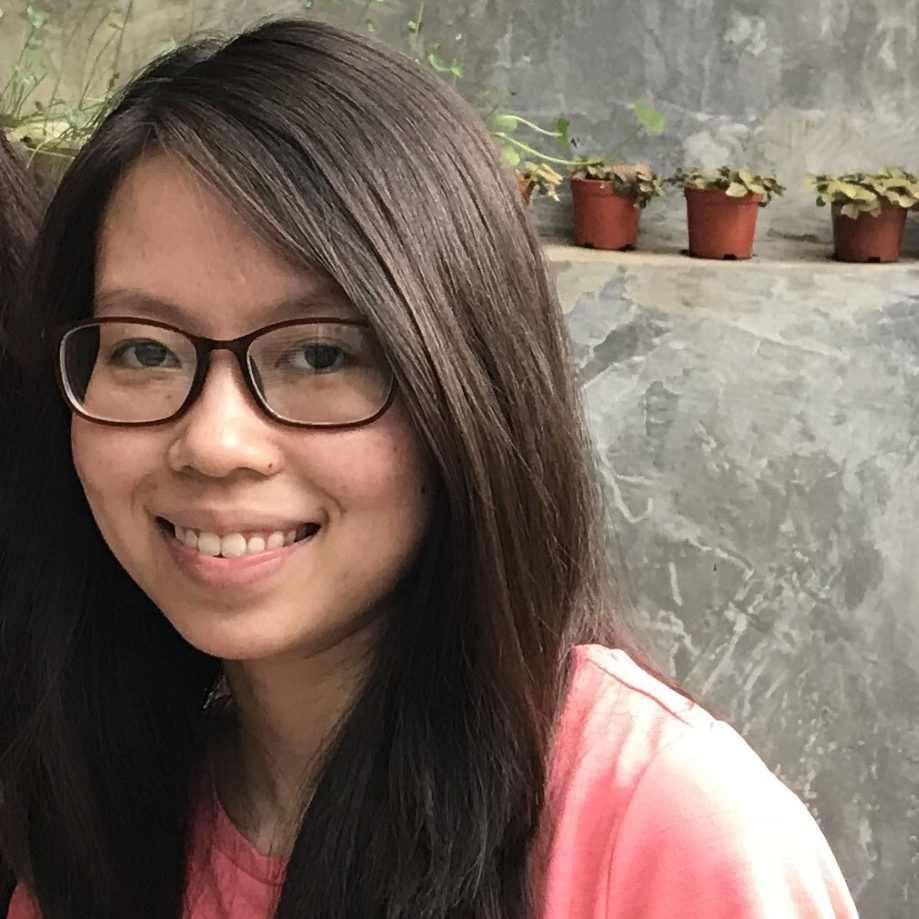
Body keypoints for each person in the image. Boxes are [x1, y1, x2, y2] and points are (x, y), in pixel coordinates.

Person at [0, 19, 859, 919]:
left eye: (323, 356)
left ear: (466, 383)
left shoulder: (654, 834)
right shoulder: (103, 829)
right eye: (144, 350)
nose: (215, 442)